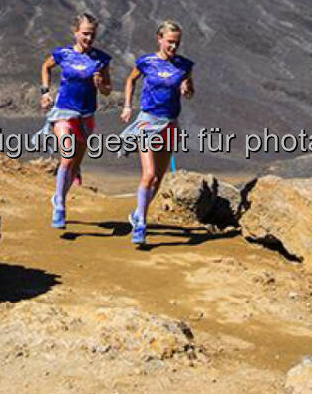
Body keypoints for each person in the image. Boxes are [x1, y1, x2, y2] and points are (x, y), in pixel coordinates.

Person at [120, 20, 195, 247]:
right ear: (159, 39)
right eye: (170, 42)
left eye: (177, 43)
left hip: (169, 124)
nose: (173, 47)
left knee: (159, 178)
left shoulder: (184, 65)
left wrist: (187, 88)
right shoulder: (146, 62)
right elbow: (131, 80)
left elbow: (190, 92)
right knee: (149, 174)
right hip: (148, 122)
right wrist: (127, 106)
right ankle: (141, 223)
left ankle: (137, 213)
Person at [39, 13, 112, 230]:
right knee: (67, 156)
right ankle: (60, 206)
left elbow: (108, 91)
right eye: (85, 34)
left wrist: (100, 85)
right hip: (63, 112)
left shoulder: (101, 59)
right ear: (75, 32)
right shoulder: (63, 54)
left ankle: (59, 195)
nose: (89, 38)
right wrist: (45, 92)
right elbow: (46, 66)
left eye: (92, 34)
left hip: (86, 116)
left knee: (75, 165)